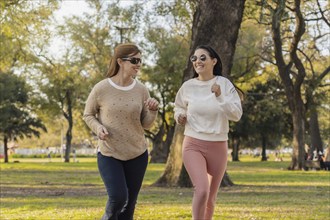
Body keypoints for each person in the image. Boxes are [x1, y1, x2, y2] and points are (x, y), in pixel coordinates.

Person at [83, 43, 159, 220]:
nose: (138, 64)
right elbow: (88, 114)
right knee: (118, 197)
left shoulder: (141, 90)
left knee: (129, 206)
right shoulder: (101, 88)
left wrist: (153, 111)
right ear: (120, 61)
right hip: (110, 152)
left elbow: (146, 124)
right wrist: (98, 127)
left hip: (137, 153)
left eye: (140, 60)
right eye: (134, 60)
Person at [174, 45, 243, 220]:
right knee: (202, 190)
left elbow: (236, 114)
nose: (198, 61)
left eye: (203, 58)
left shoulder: (225, 84)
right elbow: (179, 107)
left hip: (218, 146)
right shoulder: (188, 86)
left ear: (214, 61)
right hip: (193, 143)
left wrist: (220, 96)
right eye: (194, 58)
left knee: (210, 199)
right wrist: (179, 116)